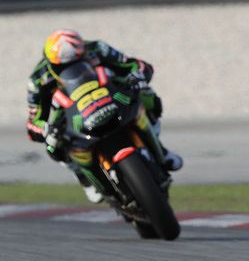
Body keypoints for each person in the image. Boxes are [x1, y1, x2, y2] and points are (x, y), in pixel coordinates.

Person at [26, 29, 182, 203]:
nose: (74, 69)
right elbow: (33, 122)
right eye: (64, 67)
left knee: (147, 93)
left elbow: (133, 64)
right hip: (72, 115)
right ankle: (84, 178)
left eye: (79, 62)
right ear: (52, 64)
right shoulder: (38, 79)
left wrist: (138, 75)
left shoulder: (97, 48)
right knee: (53, 145)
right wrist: (47, 129)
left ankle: (160, 149)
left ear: (83, 51)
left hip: (108, 95)